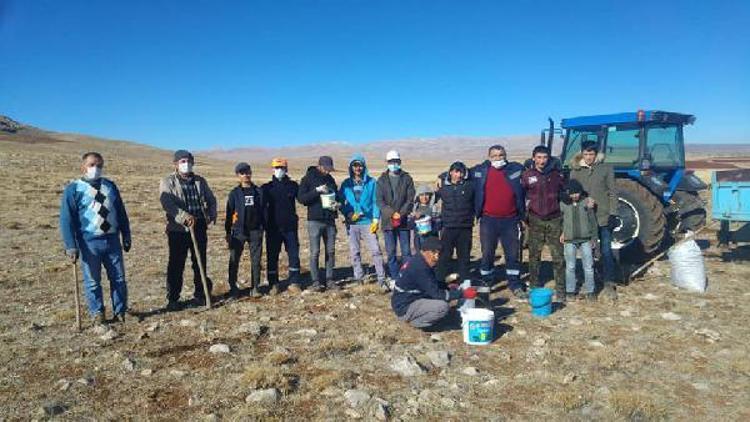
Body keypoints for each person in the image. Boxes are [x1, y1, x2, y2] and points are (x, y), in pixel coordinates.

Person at [60, 152, 131, 324]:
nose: (96, 168)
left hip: (112, 239)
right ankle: (97, 313)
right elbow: (66, 219)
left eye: (99, 165)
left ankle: (121, 311)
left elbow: (121, 212)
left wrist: (126, 234)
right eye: (92, 165)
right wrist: (71, 245)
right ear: (83, 167)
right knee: (92, 281)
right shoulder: (74, 189)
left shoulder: (110, 186)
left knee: (119, 278)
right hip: (88, 242)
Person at [450, 145, 526, 298]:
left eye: (500, 155)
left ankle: (514, 283)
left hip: (510, 220)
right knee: (487, 253)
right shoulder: (480, 171)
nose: (498, 158)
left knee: (512, 254)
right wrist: (442, 177)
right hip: (488, 220)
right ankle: (487, 281)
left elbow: (531, 169)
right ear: (489, 157)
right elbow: (460, 171)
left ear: (505, 156)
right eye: (494, 155)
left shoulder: (515, 170)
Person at [159, 149, 217, 310]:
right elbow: (167, 203)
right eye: (182, 161)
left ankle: (201, 294)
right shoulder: (168, 181)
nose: (186, 164)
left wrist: (211, 214)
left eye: (189, 161)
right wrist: (184, 216)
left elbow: (211, 199)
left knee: (200, 262)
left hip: (199, 227)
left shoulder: (200, 181)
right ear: (176, 164)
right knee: (176, 264)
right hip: (178, 229)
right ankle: (173, 298)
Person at [568, 141, 619, 300]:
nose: (589, 157)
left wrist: (613, 213)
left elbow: (612, 192)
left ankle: (609, 282)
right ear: (581, 154)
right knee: (587, 251)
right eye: (586, 154)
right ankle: (588, 282)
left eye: (592, 154)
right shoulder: (575, 171)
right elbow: (572, 193)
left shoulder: (606, 169)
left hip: (603, 216)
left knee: (605, 250)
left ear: (596, 155)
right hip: (584, 218)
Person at [391, 236, 472, 329]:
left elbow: (430, 284)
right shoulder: (420, 268)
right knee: (442, 307)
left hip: (405, 300)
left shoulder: (419, 260)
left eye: (438, 254)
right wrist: (462, 293)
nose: (437, 257)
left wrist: (447, 286)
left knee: (440, 301)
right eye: (435, 253)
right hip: (405, 307)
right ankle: (415, 322)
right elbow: (436, 294)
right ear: (427, 252)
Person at [521, 145, 566, 300]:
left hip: (554, 220)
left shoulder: (557, 176)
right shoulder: (527, 176)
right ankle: (534, 286)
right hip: (535, 220)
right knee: (534, 255)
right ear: (533, 158)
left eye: (545, 157)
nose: (542, 161)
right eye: (538, 157)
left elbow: (564, 196)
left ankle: (561, 290)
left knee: (558, 256)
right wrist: (523, 217)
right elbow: (521, 196)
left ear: (549, 158)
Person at [340, 154, 387, 289]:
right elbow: (339, 201)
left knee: (376, 250)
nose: (357, 168)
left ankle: (381, 277)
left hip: (368, 222)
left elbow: (375, 201)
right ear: (351, 167)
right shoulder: (346, 184)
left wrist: (375, 219)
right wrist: (348, 213)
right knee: (354, 251)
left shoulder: (372, 183)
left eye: (359, 165)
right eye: (355, 165)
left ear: (364, 166)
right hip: (353, 223)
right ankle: (358, 277)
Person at [298, 156, 340, 291]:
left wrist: (336, 204)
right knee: (315, 252)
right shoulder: (308, 179)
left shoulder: (331, 179)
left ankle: (330, 279)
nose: (328, 172)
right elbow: (301, 199)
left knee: (331, 251)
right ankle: (315, 281)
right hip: (315, 221)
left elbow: (336, 195)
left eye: (330, 169)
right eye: (326, 169)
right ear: (319, 166)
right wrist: (316, 191)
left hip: (330, 220)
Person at [262, 158, 302, 294]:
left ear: (286, 169)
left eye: (282, 168)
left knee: (293, 254)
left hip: (290, 227)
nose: (279, 170)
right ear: (272, 169)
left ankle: (294, 281)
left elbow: (303, 198)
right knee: (272, 256)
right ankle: (273, 283)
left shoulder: (293, 186)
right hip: (273, 228)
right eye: (277, 168)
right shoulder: (266, 188)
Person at [225, 162, 264, 298]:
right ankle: (233, 286)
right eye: (242, 173)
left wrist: (262, 227)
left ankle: (255, 287)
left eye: (248, 172)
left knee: (256, 260)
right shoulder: (234, 194)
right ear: (238, 175)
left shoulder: (258, 192)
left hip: (255, 231)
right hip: (238, 231)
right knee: (234, 259)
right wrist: (228, 232)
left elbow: (264, 210)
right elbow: (229, 214)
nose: (246, 175)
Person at [376, 150, 415, 282]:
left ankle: (408, 276)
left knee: (406, 252)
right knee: (391, 252)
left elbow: (410, 198)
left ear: (400, 162)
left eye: (396, 162)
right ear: (387, 163)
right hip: (388, 222)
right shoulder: (381, 180)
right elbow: (380, 201)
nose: (394, 164)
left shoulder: (407, 178)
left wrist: (401, 213)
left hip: (403, 222)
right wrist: (392, 213)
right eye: (391, 162)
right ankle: (394, 277)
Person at [436, 161, 475, 282]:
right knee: (444, 256)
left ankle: (464, 282)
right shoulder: (442, 187)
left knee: (464, 257)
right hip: (448, 226)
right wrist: (441, 176)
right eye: (457, 172)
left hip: (465, 227)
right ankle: (441, 281)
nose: (459, 175)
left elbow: (478, 171)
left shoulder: (470, 185)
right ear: (451, 172)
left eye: (462, 172)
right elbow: (431, 200)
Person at [560, 179, 599, 301]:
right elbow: (560, 221)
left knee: (588, 266)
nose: (575, 195)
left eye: (577, 193)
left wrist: (594, 238)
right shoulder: (563, 204)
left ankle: (590, 291)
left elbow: (592, 221)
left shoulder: (586, 202)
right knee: (570, 266)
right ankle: (570, 291)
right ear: (568, 193)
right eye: (572, 193)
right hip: (569, 239)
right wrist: (562, 233)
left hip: (585, 239)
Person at [410, 184, 441, 252]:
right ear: (418, 196)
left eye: (426, 194)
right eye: (421, 195)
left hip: (431, 239)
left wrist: (430, 225)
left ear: (430, 196)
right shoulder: (415, 208)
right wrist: (414, 218)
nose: (424, 197)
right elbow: (411, 226)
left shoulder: (434, 208)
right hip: (419, 241)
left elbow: (439, 225)